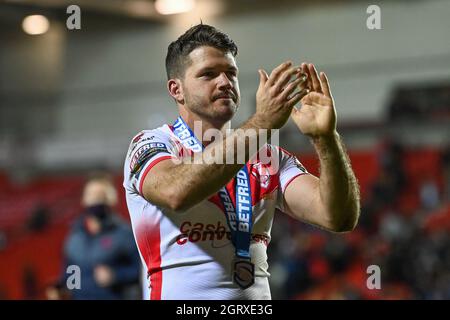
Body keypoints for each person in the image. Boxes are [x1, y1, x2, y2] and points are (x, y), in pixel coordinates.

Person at [123, 24, 360, 300]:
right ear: (177, 89)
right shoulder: (152, 145)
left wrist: (325, 138)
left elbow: (338, 216)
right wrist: (263, 124)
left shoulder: (266, 157)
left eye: (231, 73)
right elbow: (176, 192)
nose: (224, 82)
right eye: (208, 74)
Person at [48, 174, 141, 300]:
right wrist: (61, 289)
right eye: (92, 196)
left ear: (111, 200)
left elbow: (139, 271)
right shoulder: (75, 235)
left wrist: (115, 275)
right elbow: (71, 274)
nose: (95, 201)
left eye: (100, 196)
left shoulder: (123, 233)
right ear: (84, 199)